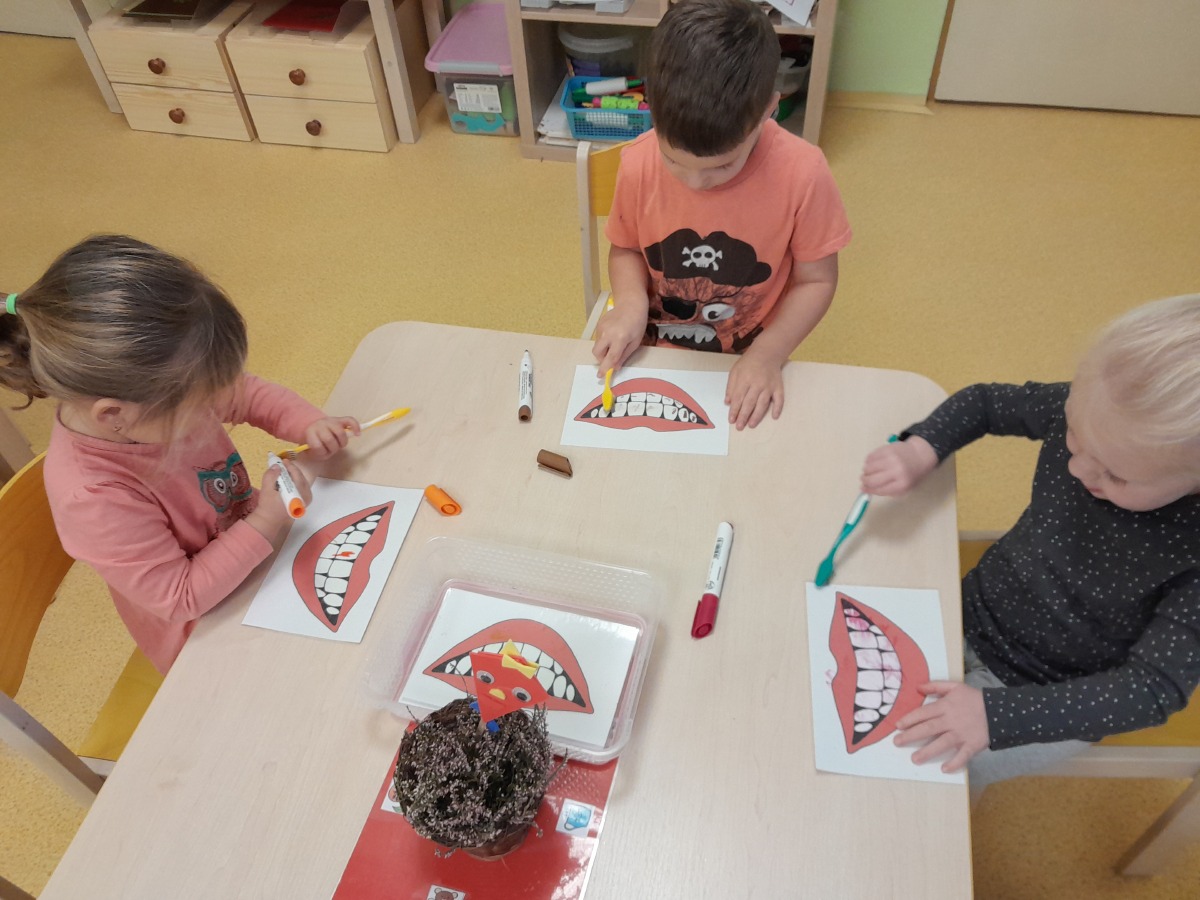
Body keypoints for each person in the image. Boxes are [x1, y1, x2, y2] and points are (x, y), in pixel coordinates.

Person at [860, 294, 1200, 799]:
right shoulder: (1100, 415)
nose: (1077, 468)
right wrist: (921, 448)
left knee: (924, 785)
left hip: (1049, 698)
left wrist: (995, 715)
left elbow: (1151, 690)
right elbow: (984, 403)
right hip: (973, 610)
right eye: (1074, 438)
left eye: (1114, 475)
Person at [0, 235, 359, 673]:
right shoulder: (93, 497)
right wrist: (267, 518)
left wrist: (307, 423)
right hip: (205, 634)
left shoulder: (153, 398)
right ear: (113, 414)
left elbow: (243, 393)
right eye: (201, 404)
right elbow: (180, 597)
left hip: (257, 560)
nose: (216, 406)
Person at [592, 0, 851, 431]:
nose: (695, 183)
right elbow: (626, 248)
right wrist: (631, 304)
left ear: (768, 109)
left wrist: (768, 354)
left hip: (751, 353)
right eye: (673, 161)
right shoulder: (637, 163)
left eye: (723, 166)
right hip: (649, 347)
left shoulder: (804, 174)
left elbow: (817, 281)